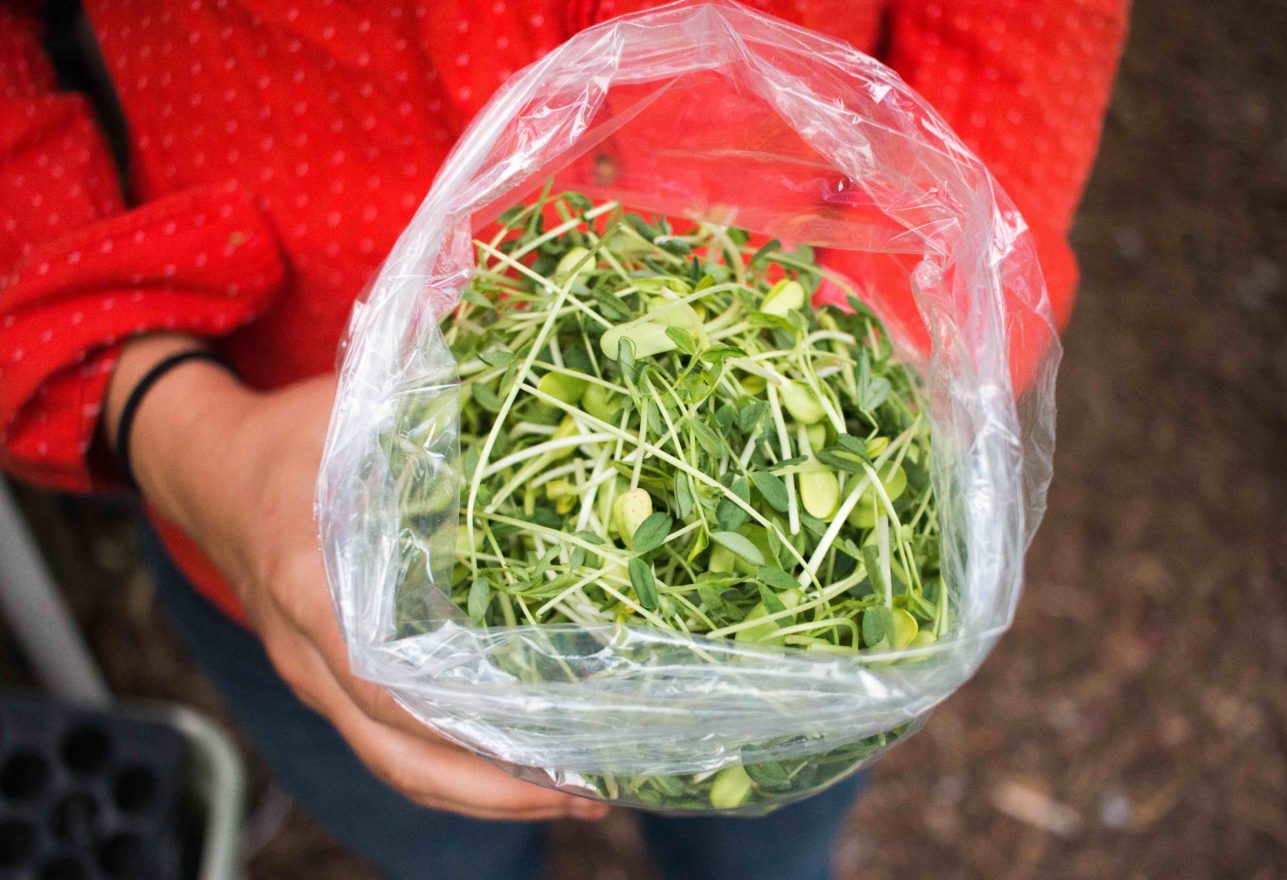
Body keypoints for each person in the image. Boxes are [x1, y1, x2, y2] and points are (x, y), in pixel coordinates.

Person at [0, 1, 1128, 877]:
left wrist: (890, 338)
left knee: (764, 834)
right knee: (436, 841)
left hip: (818, 439)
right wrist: (176, 421)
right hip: (286, 520)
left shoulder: (810, 399)